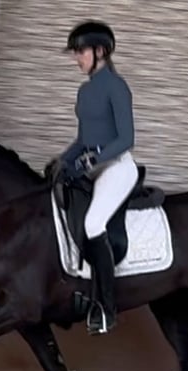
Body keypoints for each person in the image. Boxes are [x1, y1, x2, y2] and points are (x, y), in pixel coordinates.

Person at [55, 20, 140, 335]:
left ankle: (107, 307)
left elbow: (126, 138)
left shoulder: (117, 87)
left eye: (80, 52)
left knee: (93, 224)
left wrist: (93, 158)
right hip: (91, 167)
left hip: (116, 167)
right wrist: (63, 161)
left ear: (100, 51)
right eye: (75, 53)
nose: (77, 59)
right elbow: (82, 139)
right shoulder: (85, 90)